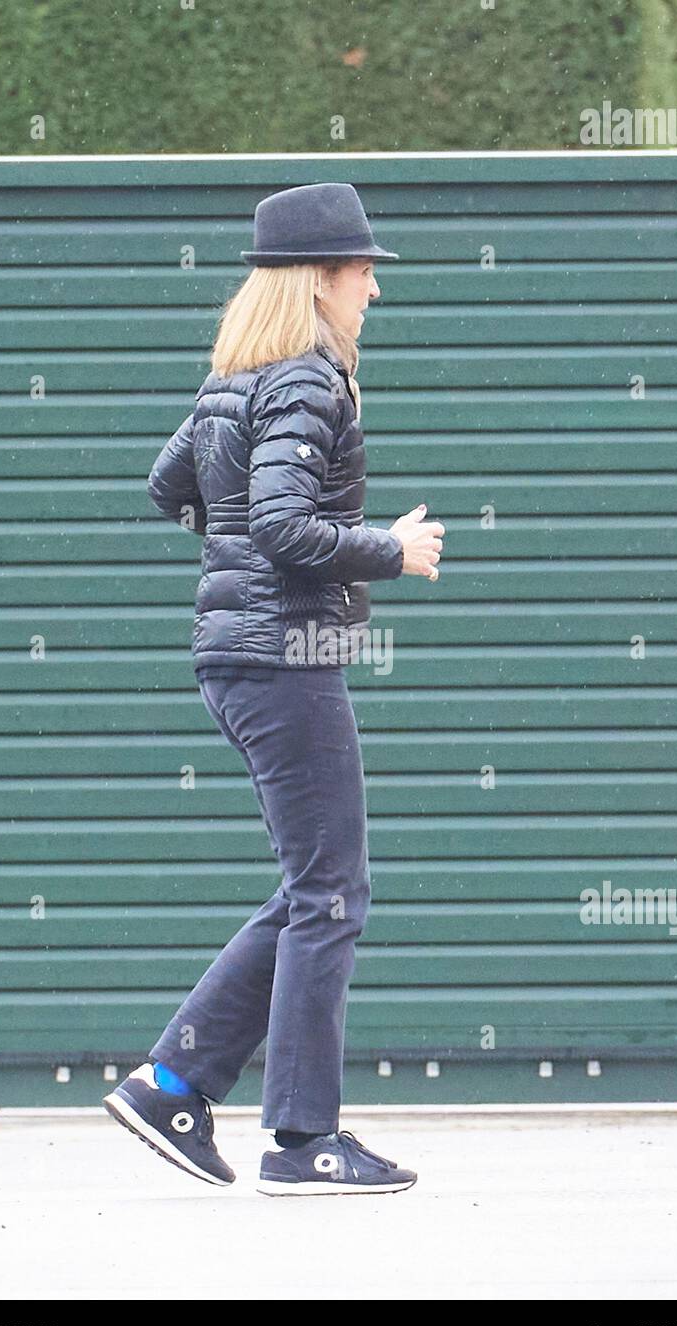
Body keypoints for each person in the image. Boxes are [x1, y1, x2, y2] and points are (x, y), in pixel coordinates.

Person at [104, 182, 444, 1195]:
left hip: (240, 655)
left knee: (313, 888)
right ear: (320, 281)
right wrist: (392, 546)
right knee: (332, 893)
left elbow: (172, 488)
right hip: (282, 659)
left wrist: (235, 571)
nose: (371, 294)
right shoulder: (303, 380)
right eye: (361, 275)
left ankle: (173, 1081)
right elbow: (281, 528)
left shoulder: (233, 380)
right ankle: (302, 1141)